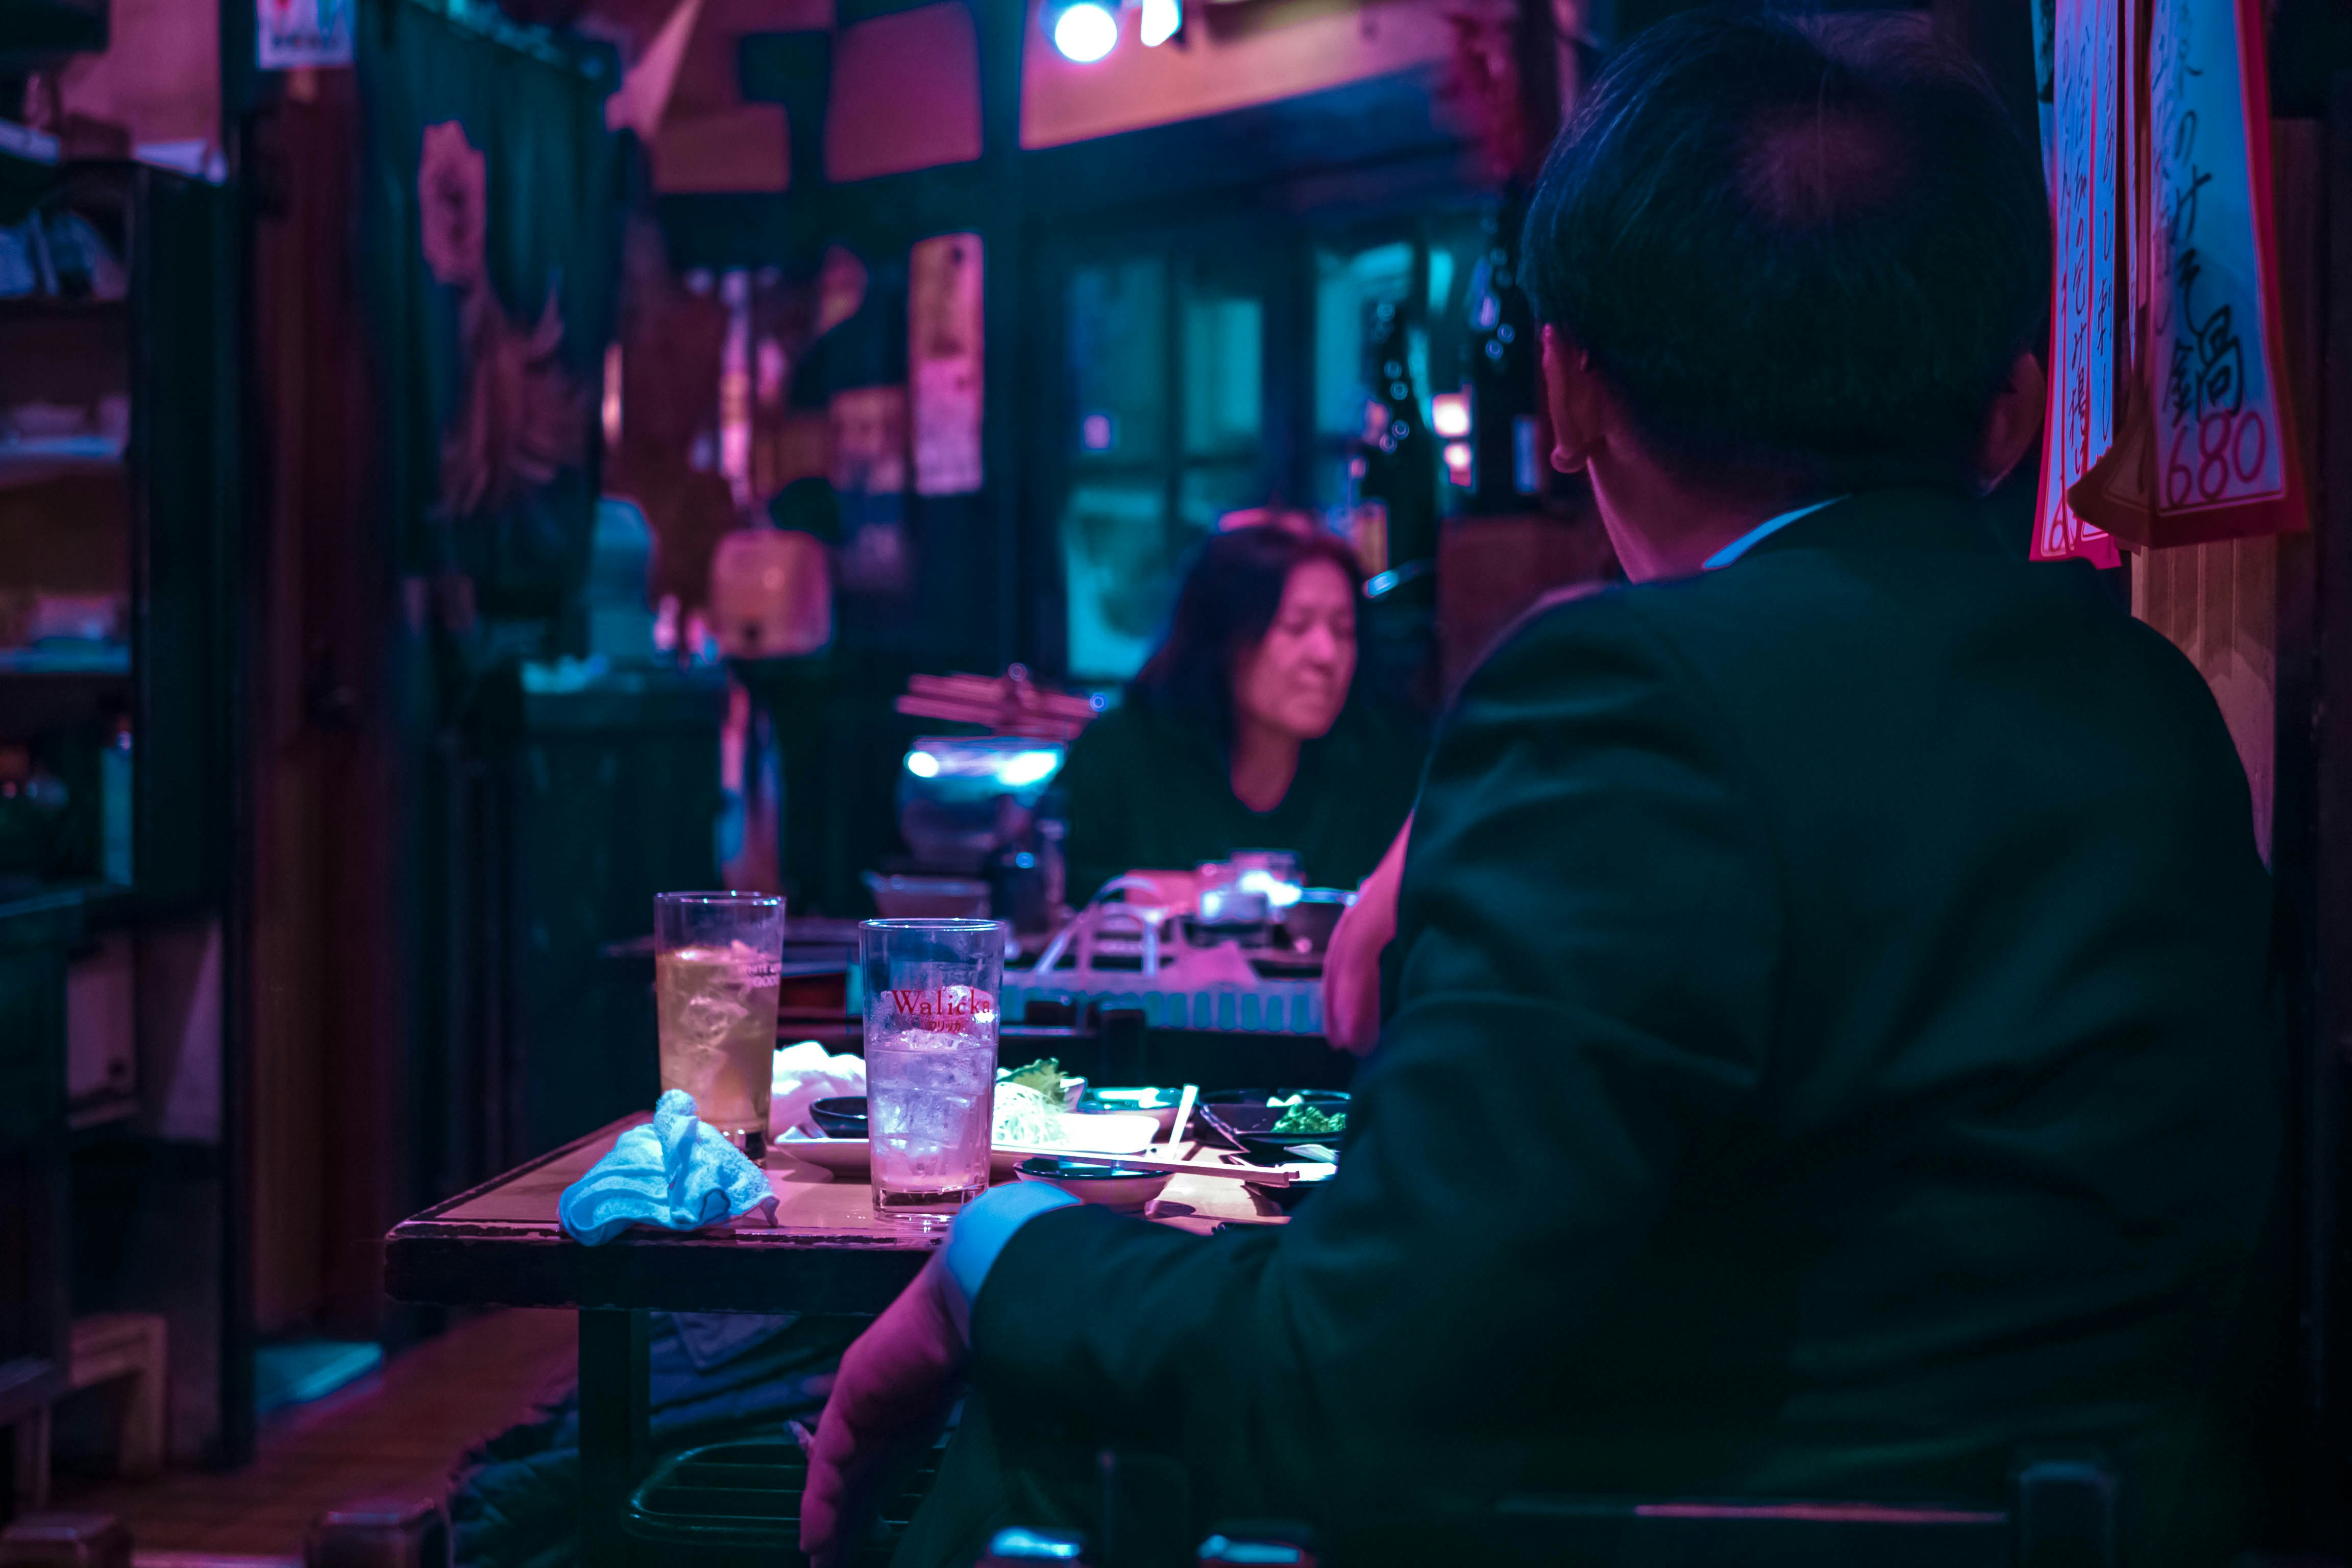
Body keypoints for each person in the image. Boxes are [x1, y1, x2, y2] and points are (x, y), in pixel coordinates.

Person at [801, 14, 2281, 1566]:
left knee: (1031, 1434)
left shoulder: (1628, 699)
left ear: (1567, 392)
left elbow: (1340, 1393)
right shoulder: (2154, 705)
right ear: (2013, 410)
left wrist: (993, 1247)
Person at [1055, 524, 1421, 906]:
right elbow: (1056, 888)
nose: (1326, 655)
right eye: (1296, 627)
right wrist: (1180, 894)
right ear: (1225, 638)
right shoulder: (1122, 753)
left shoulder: (1379, 764)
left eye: (1344, 631)